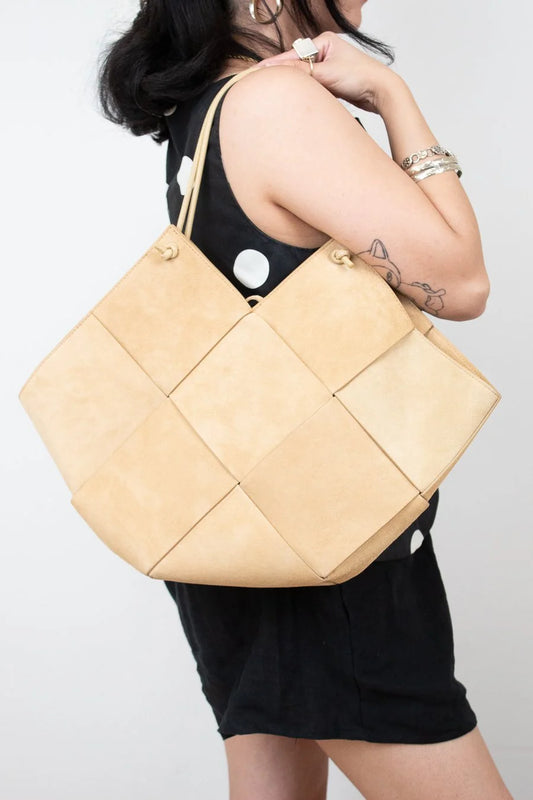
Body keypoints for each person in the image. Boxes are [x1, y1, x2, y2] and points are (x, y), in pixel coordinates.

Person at [97, 1, 513, 797]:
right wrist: (393, 96)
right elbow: (460, 283)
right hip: (327, 540)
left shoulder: (209, 104)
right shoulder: (272, 102)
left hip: (232, 520)